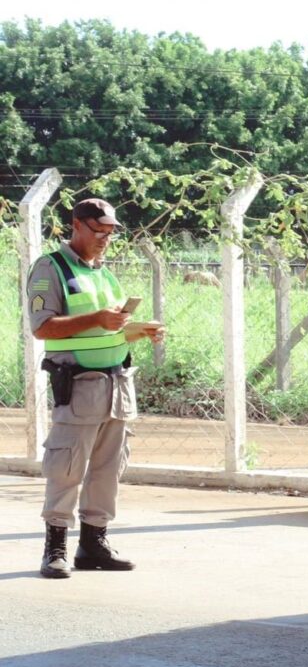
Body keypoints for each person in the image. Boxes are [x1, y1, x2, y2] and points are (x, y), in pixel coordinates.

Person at [28, 197, 165, 579]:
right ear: (76, 225)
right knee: (66, 466)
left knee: (108, 469)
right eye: (98, 230)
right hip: (79, 385)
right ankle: (55, 547)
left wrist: (138, 331)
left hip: (116, 383)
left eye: (110, 232)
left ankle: (93, 543)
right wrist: (98, 319)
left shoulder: (103, 273)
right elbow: (42, 327)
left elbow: (109, 329)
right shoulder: (50, 268)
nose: (105, 238)